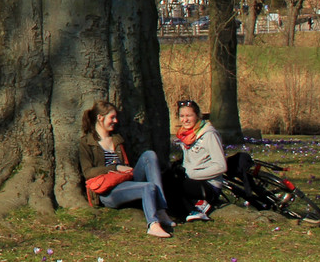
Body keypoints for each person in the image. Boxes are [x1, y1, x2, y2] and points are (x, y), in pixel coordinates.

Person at [79, 101, 175, 237]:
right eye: (112, 118)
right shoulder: (87, 142)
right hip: (109, 190)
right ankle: (153, 225)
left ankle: (161, 209)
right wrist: (115, 167)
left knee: (149, 155)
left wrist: (126, 169)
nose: (115, 121)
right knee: (148, 187)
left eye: (115, 117)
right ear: (100, 118)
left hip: (126, 179)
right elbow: (88, 172)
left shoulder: (117, 139)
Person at [170, 99, 227, 220]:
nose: (185, 120)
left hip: (209, 185)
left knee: (175, 183)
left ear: (197, 116)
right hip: (191, 180)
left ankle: (196, 209)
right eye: (182, 116)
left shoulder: (209, 135)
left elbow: (221, 166)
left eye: (189, 116)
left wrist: (192, 174)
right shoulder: (185, 135)